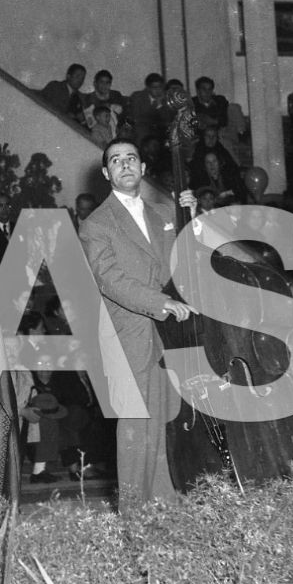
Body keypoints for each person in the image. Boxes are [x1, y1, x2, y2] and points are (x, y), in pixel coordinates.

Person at [79, 139, 195, 511]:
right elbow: (110, 279)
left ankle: (164, 514)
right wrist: (162, 303)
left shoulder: (165, 212)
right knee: (134, 437)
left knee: (164, 431)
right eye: (116, 160)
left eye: (132, 158)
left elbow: (188, 260)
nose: (125, 165)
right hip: (130, 339)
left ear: (143, 168)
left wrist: (194, 217)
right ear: (105, 173)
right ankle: (133, 524)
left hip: (169, 340)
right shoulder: (96, 223)